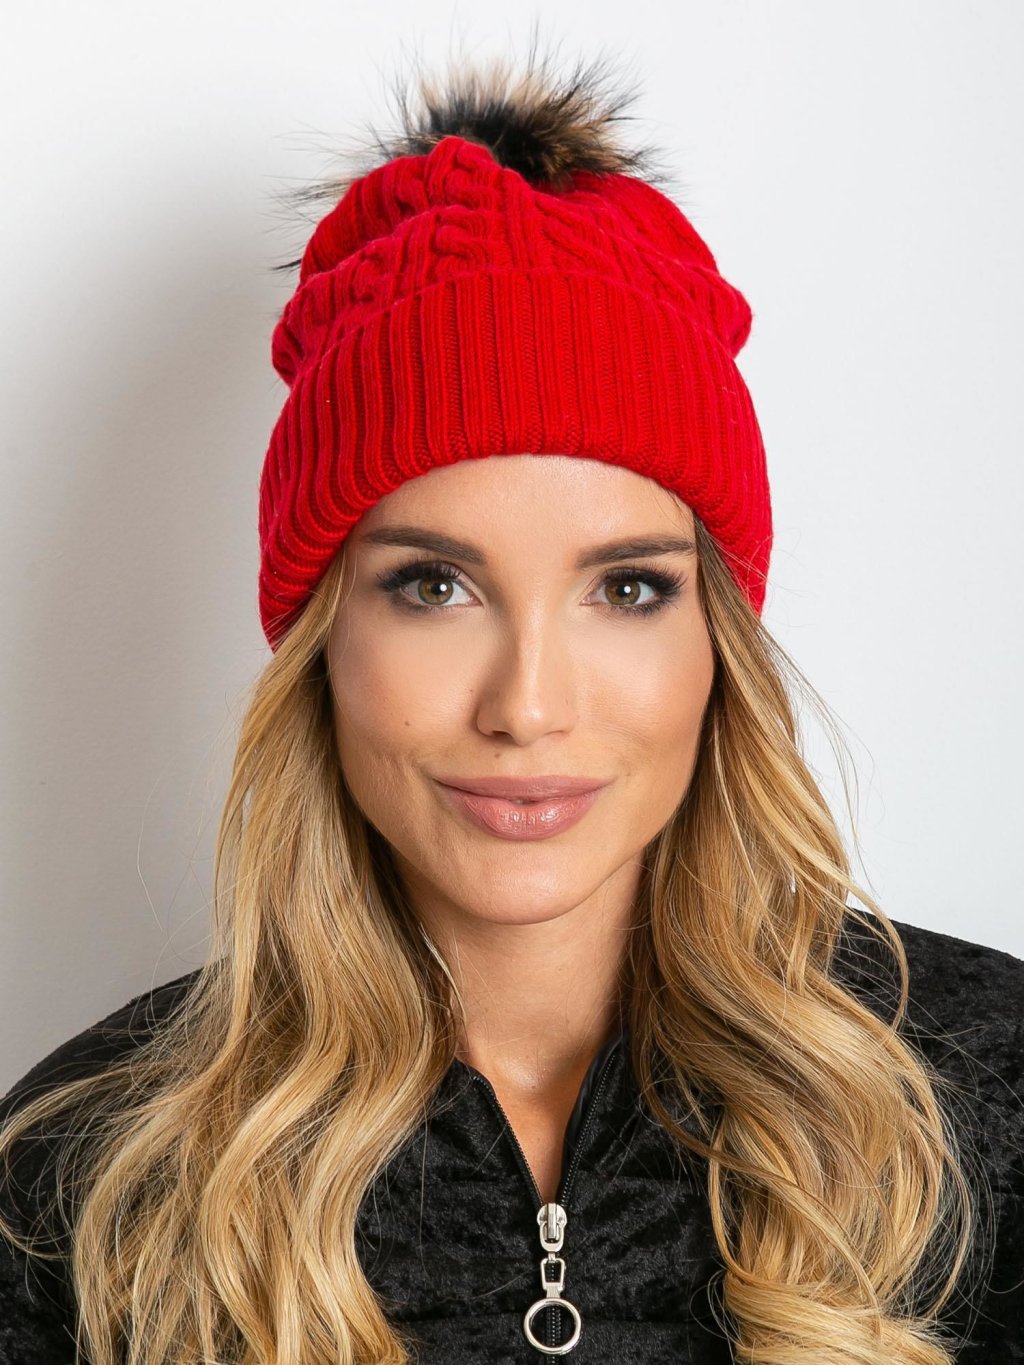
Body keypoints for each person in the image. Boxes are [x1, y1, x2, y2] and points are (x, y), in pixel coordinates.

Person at [1, 43, 1022, 1365]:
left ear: (717, 641)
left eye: (628, 588)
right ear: (323, 637)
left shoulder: (986, 1093)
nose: (528, 705)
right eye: (433, 586)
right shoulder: (81, 1186)